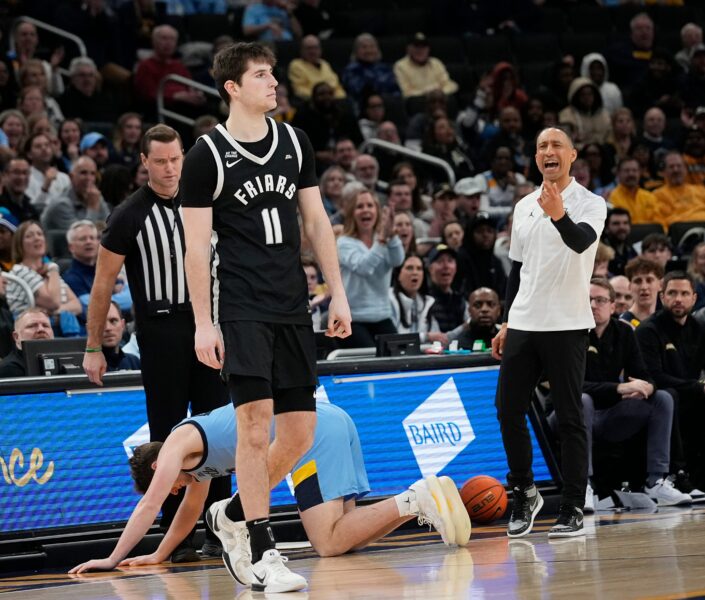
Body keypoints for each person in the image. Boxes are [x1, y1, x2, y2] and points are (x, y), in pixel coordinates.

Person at [179, 42, 351, 593]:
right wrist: (204, 323)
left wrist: (338, 293)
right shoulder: (206, 154)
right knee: (254, 428)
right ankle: (262, 545)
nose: (273, 82)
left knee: (299, 433)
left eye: (273, 74)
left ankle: (230, 512)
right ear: (232, 87)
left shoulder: (295, 142)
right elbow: (196, 248)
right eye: (261, 75)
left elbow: (318, 222)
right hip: (242, 306)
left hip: (291, 304)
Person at [68, 402, 469, 578]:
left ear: (157, 467)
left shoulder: (176, 444)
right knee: (347, 536)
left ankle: (416, 497)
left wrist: (112, 558)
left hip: (312, 434)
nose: (171, 491)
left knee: (327, 543)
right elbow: (190, 513)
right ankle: (415, 502)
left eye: (164, 484)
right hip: (329, 420)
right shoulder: (195, 462)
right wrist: (158, 553)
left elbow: (149, 507)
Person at [82, 124, 231, 563]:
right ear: (144, 162)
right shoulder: (129, 214)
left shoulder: (205, 203)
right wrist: (93, 347)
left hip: (210, 327)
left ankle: (221, 529)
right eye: (160, 161)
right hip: (161, 331)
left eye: (176, 159)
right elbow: (103, 283)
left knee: (218, 432)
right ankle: (176, 537)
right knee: (167, 436)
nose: (170, 169)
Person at [491, 126, 606, 539]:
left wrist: (558, 212)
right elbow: (517, 269)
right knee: (507, 408)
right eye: (541, 146)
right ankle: (524, 489)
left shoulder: (592, 203)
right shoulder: (523, 206)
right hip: (524, 321)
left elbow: (579, 242)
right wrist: (506, 320)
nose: (548, 151)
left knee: (571, 415)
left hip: (567, 323)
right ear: (536, 158)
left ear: (572, 155)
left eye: (556, 145)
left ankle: (574, 505)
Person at [550, 278, 690, 510]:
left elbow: (645, 374)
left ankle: (656, 481)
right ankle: (581, 485)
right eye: (589, 300)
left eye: (601, 300)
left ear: (613, 306)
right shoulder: (568, 335)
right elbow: (570, 387)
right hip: (565, 416)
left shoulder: (624, 332)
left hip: (608, 415)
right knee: (582, 400)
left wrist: (647, 386)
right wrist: (618, 388)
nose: (594, 305)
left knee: (662, 398)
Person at [637, 272, 705, 493]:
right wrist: (698, 386)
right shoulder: (648, 330)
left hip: (691, 396)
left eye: (684, 293)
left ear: (694, 298)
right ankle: (678, 474)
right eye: (672, 293)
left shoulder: (698, 328)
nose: (678, 299)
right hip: (657, 399)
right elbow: (654, 376)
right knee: (670, 397)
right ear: (662, 297)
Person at [337, 187, 403, 348]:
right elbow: (364, 267)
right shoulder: (344, 243)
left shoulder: (383, 239)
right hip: (353, 319)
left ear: (377, 211)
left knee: (400, 360)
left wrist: (392, 235)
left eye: (370, 205)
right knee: (370, 362)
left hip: (383, 316)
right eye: (360, 207)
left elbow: (397, 261)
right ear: (352, 213)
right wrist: (382, 240)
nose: (365, 210)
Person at [5, 220, 82, 320]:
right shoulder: (19, 271)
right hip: (32, 330)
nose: (37, 238)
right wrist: (54, 269)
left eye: (39, 234)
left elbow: (77, 306)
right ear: (19, 244)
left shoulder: (48, 271)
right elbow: (54, 302)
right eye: (29, 236)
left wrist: (52, 312)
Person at [40, 156, 110, 234]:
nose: (89, 178)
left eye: (93, 174)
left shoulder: (95, 197)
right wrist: (93, 208)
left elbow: (108, 228)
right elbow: (83, 235)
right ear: (71, 177)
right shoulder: (61, 204)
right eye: (83, 173)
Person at [389, 254, 445, 345]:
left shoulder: (427, 302)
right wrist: (425, 337)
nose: (415, 272)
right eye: (409, 268)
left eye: (419, 268)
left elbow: (438, 338)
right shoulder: (389, 300)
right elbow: (391, 338)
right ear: (398, 274)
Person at [393, 33, 458, 99]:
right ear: (408, 49)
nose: (420, 50)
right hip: (418, 103)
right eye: (416, 46)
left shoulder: (436, 63)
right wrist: (429, 93)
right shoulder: (400, 66)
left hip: (439, 99)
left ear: (428, 49)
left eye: (423, 47)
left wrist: (439, 93)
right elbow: (406, 93)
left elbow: (450, 85)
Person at [287, 35, 346, 101]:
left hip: (334, 102)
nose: (313, 51)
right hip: (311, 102)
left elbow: (338, 87)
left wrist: (334, 97)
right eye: (309, 48)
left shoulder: (325, 64)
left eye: (316, 48)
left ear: (320, 50)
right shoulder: (296, 65)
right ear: (301, 50)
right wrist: (322, 97)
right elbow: (299, 90)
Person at [0, 307, 53, 377]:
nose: (41, 329)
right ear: (16, 337)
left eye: (45, 325)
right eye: (32, 326)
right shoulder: (9, 369)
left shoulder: (64, 359)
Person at [607, 158, 660, 226]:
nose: (631, 174)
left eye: (634, 170)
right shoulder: (611, 197)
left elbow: (658, 223)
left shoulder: (649, 197)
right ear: (618, 173)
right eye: (627, 171)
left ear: (639, 173)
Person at [621, 257, 663, 328]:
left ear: (660, 285)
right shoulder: (622, 326)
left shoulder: (668, 323)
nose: (644, 287)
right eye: (638, 281)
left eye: (649, 280)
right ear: (629, 287)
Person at [456, 286, 501, 351]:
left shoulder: (508, 341)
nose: (484, 309)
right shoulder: (457, 345)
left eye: (491, 304)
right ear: (469, 311)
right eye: (477, 305)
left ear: (498, 310)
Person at [101, 301, 140, 372]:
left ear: (122, 325)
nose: (108, 328)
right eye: (101, 323)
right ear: (89, 329)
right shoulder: (82, 366)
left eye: (113, 321)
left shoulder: (134, 362)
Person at [602, 208, 638, 277]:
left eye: (625, 223)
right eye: (616, 223)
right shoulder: (601, 252)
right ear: (606, 228)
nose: (622, 227)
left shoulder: (629, 248)